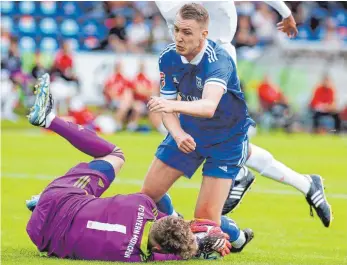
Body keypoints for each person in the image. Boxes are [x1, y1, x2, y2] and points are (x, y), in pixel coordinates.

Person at [156, 1, 332, 228]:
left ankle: (242, 182)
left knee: (223, 134)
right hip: (189, 60)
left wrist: (286, 13)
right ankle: (303, 184)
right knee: (226, 140)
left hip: (216, 58)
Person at [25, 74, 232, 262]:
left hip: (58, 198)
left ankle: (50, 120)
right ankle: (38, 204)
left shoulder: (141, 203)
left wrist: (186, 225)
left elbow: (159, 201)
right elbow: (169, 254)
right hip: (40, 236)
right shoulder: (135, 257)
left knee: (115, 156)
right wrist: (196, 248)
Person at [142, 4, 255, 253]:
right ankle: (178, 224)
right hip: (189, 130)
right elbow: (167, 109)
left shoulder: (219, 60)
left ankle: (236, 237)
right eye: (177, 30)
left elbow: (208, 106)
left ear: (204, 34)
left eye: (187, 32)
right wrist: (178, 133)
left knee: (204, 221)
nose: (179, 37)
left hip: (226, 139)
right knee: (148, 195)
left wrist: (169, 105)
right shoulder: (168, 57)